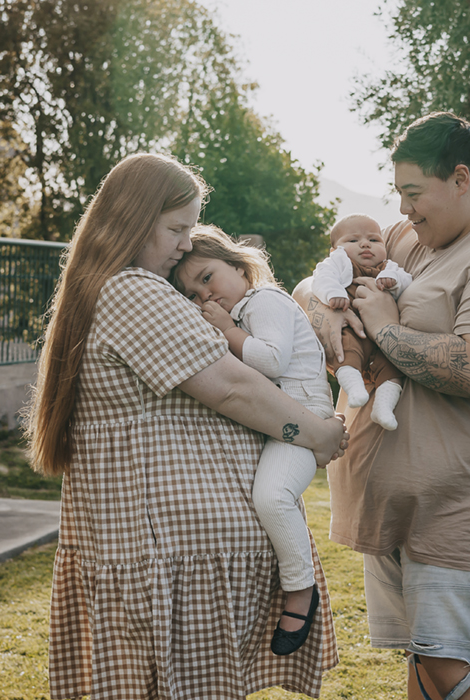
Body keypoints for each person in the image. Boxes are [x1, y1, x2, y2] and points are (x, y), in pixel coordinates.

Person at [25, 153, 346, 700]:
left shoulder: (105, 289)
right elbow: (231, 387)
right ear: (133, 218)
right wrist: (317, 434)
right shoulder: (132, 290)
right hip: (176, 547)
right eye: (176, 228)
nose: (183, 243)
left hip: (163, 544)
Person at [294, 112, 470, 700]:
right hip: (409, 507)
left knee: (458, 668)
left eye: (413, 194)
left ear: (460, 179)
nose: (403, 211)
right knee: (429, 668)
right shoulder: (413, 237)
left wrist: (381, 326)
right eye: (399, 194)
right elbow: (318, 279)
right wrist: (326, 311)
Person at [171, 225, 335, 657]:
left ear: (240, 265)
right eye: (193, 293)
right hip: (281, 419)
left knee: (273, 498)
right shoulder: (241, 309)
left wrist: (226, 329)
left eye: (207, 278)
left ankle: (302, 589)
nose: (205, 297)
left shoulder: (263, 301)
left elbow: (272, 359)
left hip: (303, 417)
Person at [311, 213, 413, 430]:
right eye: (353, 240)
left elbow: (407, 280)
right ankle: (354, 388)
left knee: (392, 370)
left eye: (374, 240)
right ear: (335, 249)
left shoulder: (389, 267)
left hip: (382, 341)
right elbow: (322, 278)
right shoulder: (338, 262)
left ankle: (383, 408)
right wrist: (333, 294)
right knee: (345, 351)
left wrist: (393, 281)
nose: (365, 244)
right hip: (352, 327)